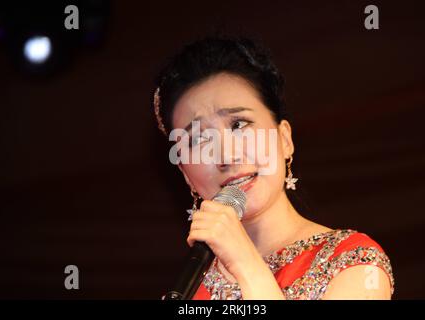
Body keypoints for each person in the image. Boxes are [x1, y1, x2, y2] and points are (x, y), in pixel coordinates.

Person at [152, 34, 394, 300]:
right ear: (185, 174)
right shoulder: (185, 293)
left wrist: (246, 263)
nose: (226, 155)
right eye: (198, 139)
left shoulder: (354, 264)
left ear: (284, 139)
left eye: (239, 125)